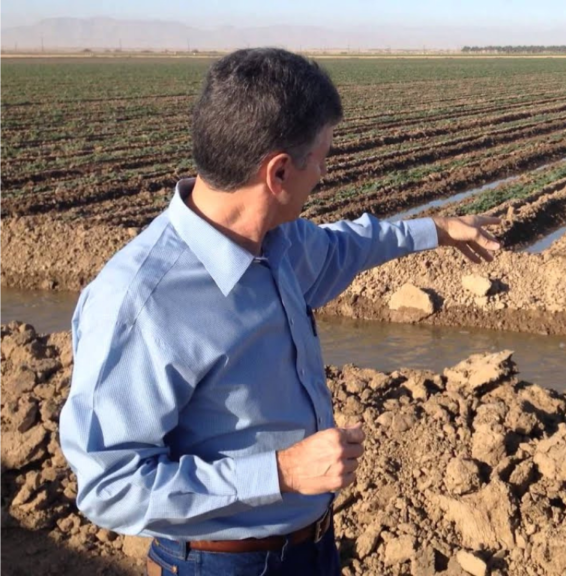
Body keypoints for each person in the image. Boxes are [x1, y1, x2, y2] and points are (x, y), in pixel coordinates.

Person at [58, 47, 501, 576]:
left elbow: (347, 246)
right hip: (221, 565)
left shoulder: (280, 243)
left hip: (313, 547)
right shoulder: (141, 303)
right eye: (323, 157)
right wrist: (280, 472)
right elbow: (110, 487)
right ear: (279, 172)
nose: (324, 174)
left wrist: (438, 231)